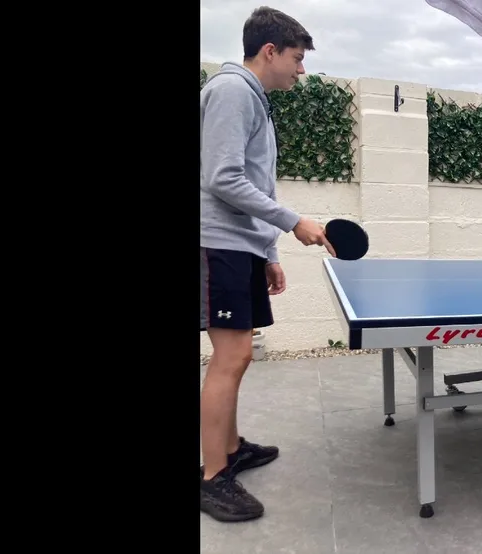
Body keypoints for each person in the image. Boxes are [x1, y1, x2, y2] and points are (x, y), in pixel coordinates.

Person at [199, 6, 335, 522]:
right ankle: (213, 477)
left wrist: (268, 252)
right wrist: (293, 222)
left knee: (241, 356)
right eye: (297, 59)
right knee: (229, 358)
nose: (302, 70)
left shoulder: (250, 97)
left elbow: (253, 184)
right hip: (218, 243)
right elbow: (223, 180)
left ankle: (230, 448)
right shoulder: (233, 92)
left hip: (240, 247)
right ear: (270, 51)